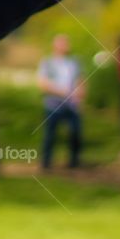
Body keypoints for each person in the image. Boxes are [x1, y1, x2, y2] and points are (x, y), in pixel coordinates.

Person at [38, 33, 84, 169]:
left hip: (72, 105)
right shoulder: (48, 63)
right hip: (53, 105)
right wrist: (64, 91)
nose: (66, 46)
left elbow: (80, 80)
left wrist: (79, 95)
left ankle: (74, 163)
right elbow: (43, 83)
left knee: (75, 133)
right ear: (55, 45)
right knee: (50, 135)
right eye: (62, 43)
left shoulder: (74, 63)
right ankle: (46, 163)